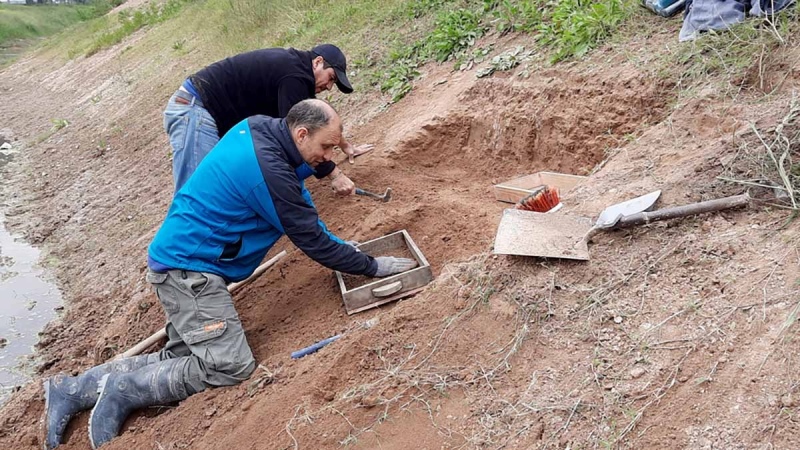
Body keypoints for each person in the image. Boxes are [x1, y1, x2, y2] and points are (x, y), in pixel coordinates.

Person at [41, 99, 416, 449]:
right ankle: (125, 389)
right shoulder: (269, 174)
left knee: (183, 353)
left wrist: (329, 182)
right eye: (327, 146)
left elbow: (300, 186)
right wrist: (371, 265)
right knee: (229, 365)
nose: (329, 156)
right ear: (301, 133)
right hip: (189, 272)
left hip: (181, 258)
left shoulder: (262, 129)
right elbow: (311, 239)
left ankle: (71, 390)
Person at [165, 43, 373, 194]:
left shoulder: (296, 71)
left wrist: (346, 146)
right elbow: (297, 135)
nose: (329, 86)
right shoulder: (295, 76)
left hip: (210, 114)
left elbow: (317, 121)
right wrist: (334, 174)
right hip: (195, 109)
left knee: (224, 182)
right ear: (317, 62)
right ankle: (180, 252)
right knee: (195, 190)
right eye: (331, 78)